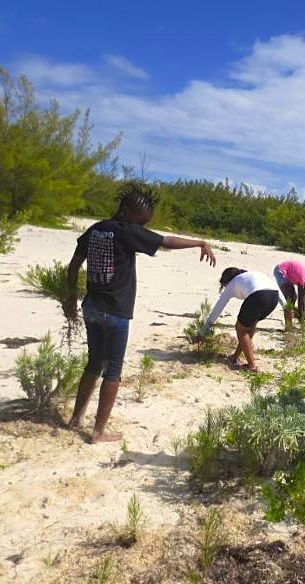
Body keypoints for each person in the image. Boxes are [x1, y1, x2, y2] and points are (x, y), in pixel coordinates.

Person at [63, 180, 216, 443]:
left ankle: (76, 418)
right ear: (126, 211)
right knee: (113, 371)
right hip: (115, 313)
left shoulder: (95, 229)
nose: (142, 227)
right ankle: (98, 432)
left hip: (91, 308)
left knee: (94, 363)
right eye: (141, 222)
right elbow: (166, 241)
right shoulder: (125, 231)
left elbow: (74, 266)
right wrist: (200, 242)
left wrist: (70, 297)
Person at [199, 268, 284, 372]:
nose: (225, 288)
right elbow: (280, 296)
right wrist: (287, 309)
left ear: (227, 281)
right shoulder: (253, 275)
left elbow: (218, 307)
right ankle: (235, 356)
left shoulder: (233, 282)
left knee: (240, 329)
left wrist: (204, 330)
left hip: (258, 296)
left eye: (224, 285)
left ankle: (252, 366)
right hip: (273, 297)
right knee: (250, 325)